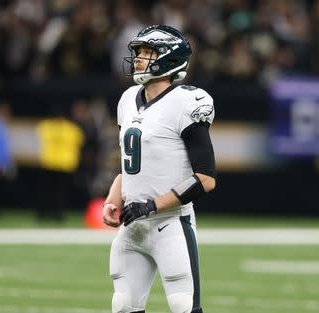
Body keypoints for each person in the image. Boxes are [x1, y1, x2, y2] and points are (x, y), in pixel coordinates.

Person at [102, 25, 216, 313]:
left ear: (169, 58)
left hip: (171, 225)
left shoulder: (187, 101)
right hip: (132, 226)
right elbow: (130, 168)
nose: (139, 58)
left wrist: (151, 205)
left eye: (147, 52)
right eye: (138, 52)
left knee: (183, 306)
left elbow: (205, 178)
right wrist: (113, 199)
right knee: (124, 305)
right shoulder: (128, 99)